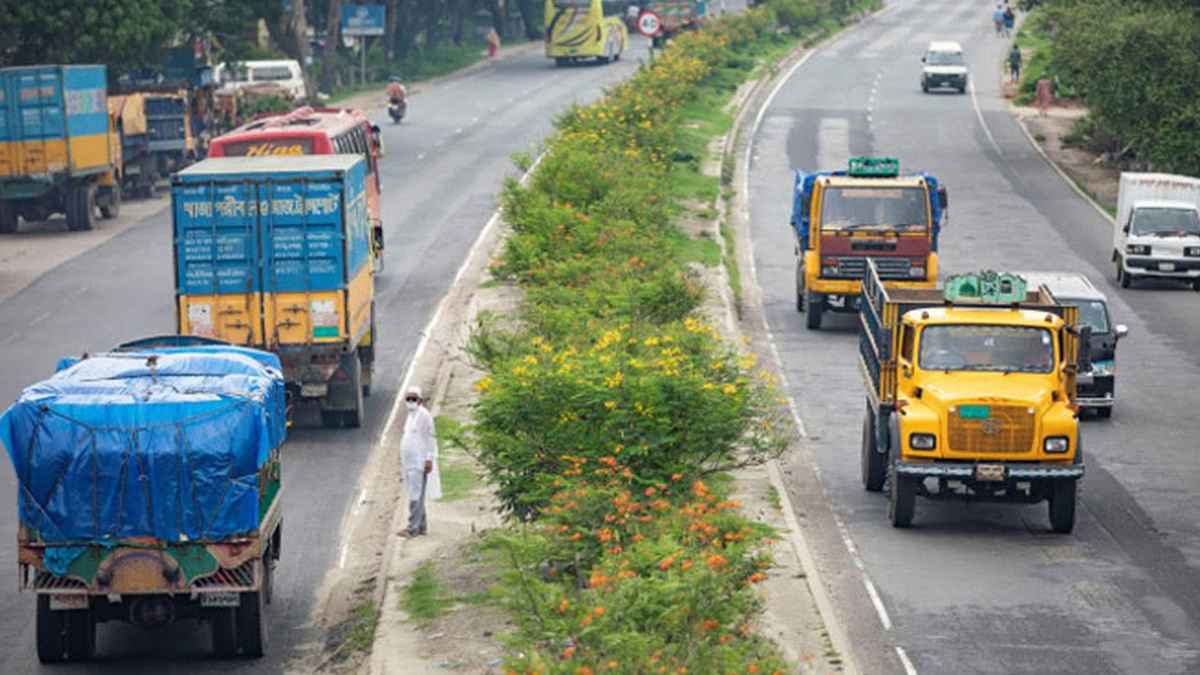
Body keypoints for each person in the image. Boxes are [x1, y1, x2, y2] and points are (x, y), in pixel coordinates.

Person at [399, 386, 441, 537]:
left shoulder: (424, 415)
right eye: (408, 399)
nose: (410, 401)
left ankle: (412, 528)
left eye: (413, 399)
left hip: (419, 462)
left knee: (415, 496)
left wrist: (429, 459)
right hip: (409, 463)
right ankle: (422, 526)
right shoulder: (411, 415)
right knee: (417, 494)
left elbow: (431, 438)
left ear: (420, 400)